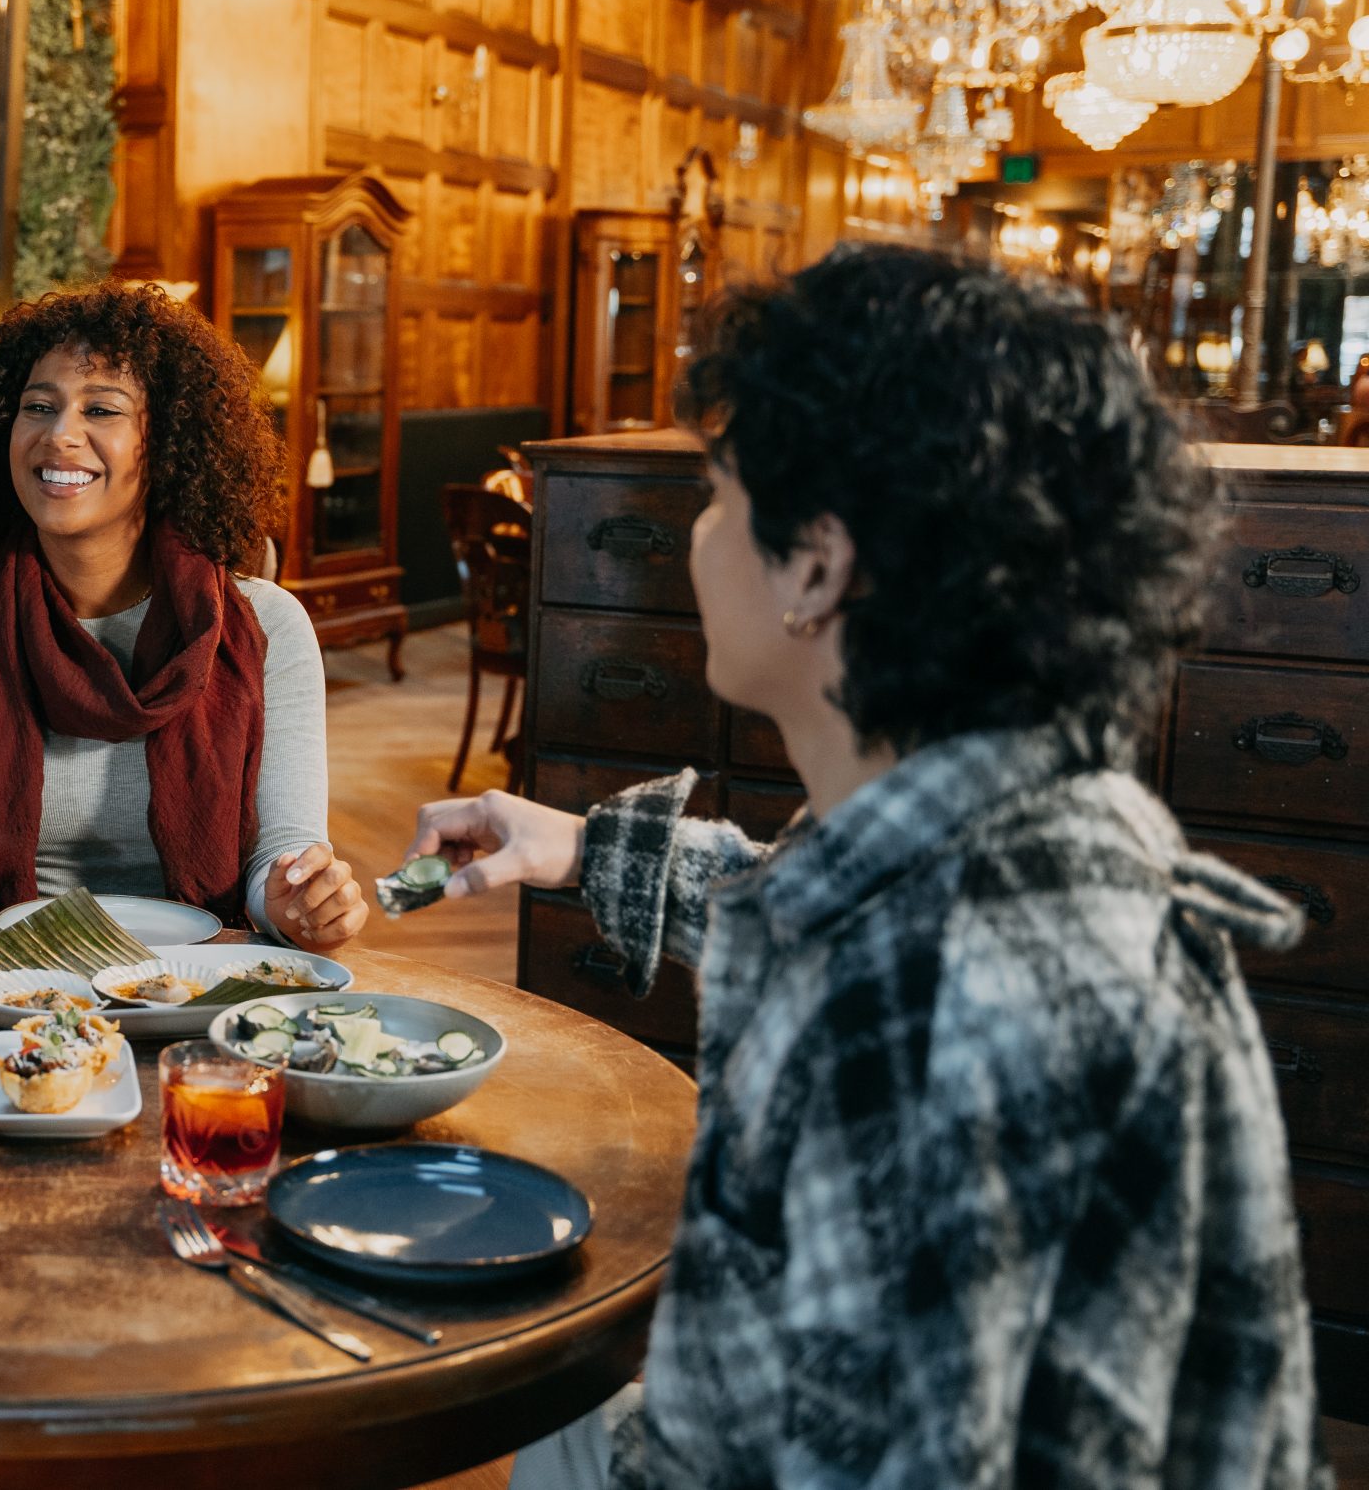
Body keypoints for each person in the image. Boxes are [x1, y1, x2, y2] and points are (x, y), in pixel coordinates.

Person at [403, 246, 1324, 1488]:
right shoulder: (1020, 835)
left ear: (818, 566)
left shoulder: (931, 1004)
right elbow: (812, 901)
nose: (698, 531)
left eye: (721, 494)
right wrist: (573, 846)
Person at [0, 281, 367, 948]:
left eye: (102, 408)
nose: (61, 434)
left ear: (165, 442)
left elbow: (280, 856)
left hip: (200, 983)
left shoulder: (268, 630)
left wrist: (295, 901)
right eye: (38, 406)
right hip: (17, 988)